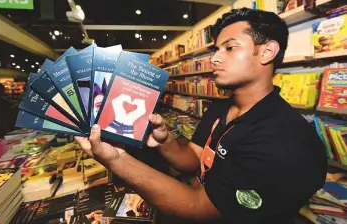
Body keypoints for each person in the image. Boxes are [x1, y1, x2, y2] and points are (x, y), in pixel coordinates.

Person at [75, 8, 327, 224]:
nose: (214, 58)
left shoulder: (284, 141)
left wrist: (117, 159)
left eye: (229, 48)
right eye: (216, 49)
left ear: (267, 52)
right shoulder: (221, 108)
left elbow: (198, 206)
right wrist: (166, 141)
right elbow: (193, 160)